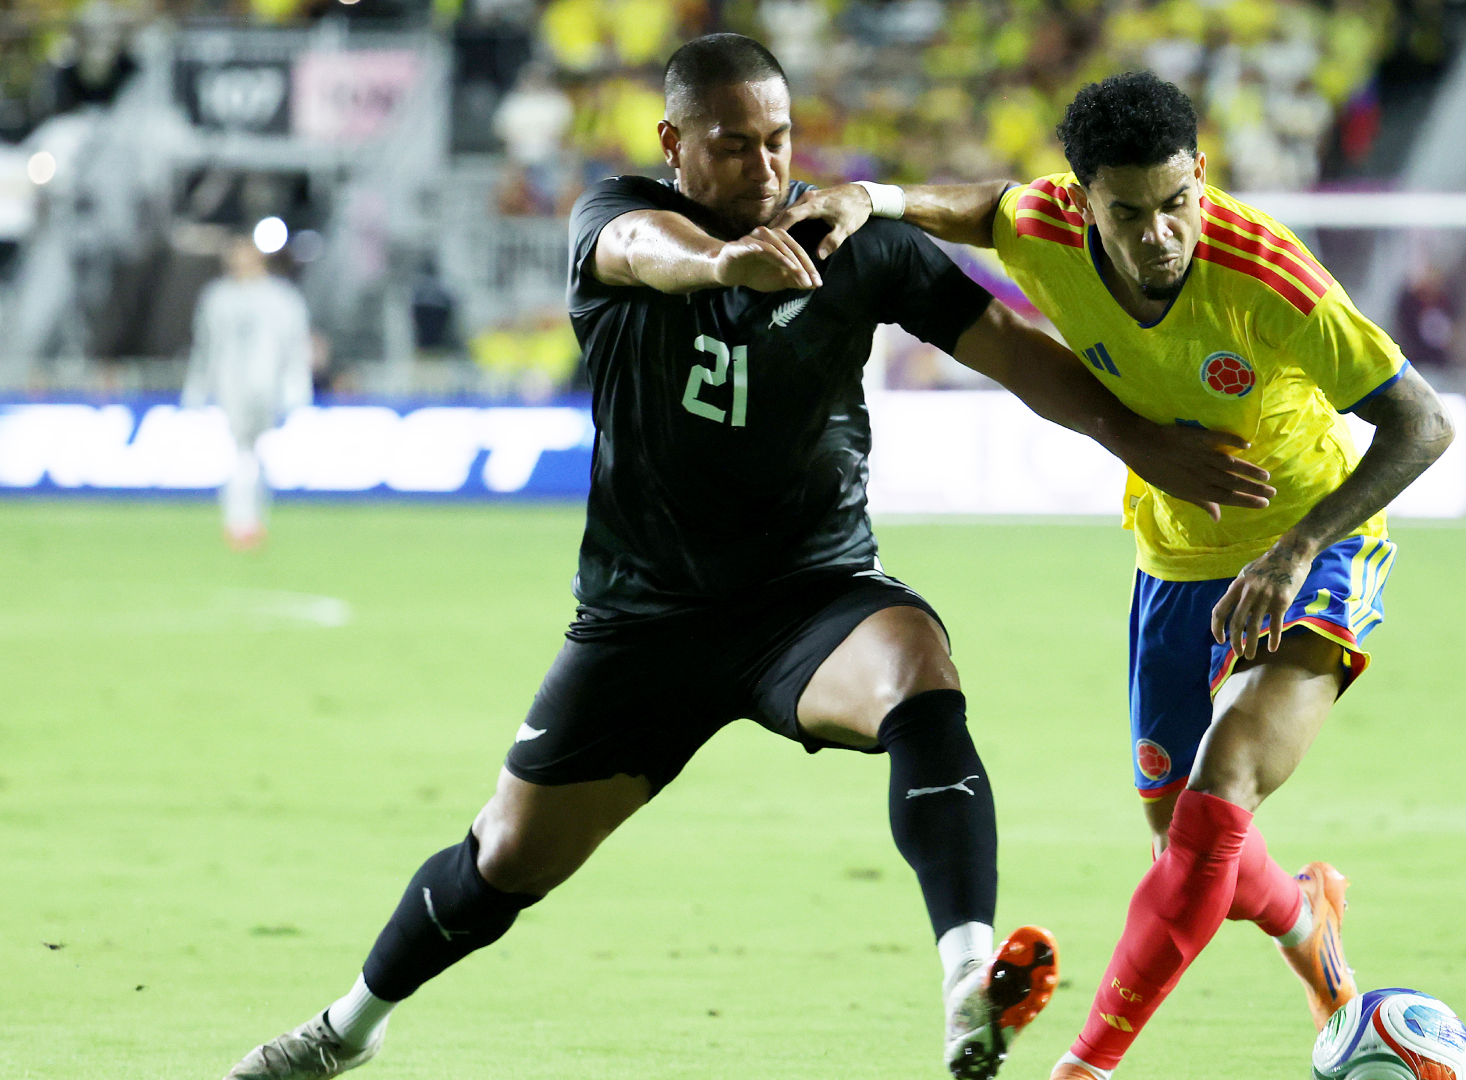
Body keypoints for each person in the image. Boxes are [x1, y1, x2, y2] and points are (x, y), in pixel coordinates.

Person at [223, 38, 1273, 1080]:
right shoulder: (615, 216)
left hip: (811, 601)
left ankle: (965, 983)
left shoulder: (850, 239)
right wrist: (723, 264)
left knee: (918, 669)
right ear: (674, 144)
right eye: (734, 146)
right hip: (644, 623)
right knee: (504, 857)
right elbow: (643, 249)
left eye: (779, 140)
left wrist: (1141, 442)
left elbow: (1011, 352)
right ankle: (347, 1028)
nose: (767, 168)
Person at [777, 71, 1456, 1080]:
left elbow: (1423, 423)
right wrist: (877, 198)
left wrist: (1300, 548)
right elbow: (983, 210)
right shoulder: (1047, 228)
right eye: (1127, 212)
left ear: (1201, 177)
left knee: (1220, 792)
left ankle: (1083, 1068)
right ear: (1083, 199)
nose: (1158, 235)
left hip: (1308, 547)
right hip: (1176, 560)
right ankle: (1305, 915)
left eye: (1177, 202)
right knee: (1185, 851)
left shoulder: (1271, 278)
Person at [182, 234, 313, 550]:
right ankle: (241, 522)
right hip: (230, 386)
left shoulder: (281, 298)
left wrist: (297, 383)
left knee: (257, 454)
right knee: (239, 453)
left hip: (267, 385)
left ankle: (250, 518)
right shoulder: (218, 297)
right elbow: (206, 346)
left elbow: (295, 345)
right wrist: (197, 386)